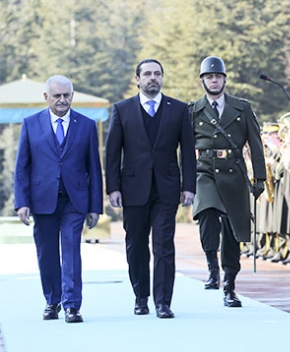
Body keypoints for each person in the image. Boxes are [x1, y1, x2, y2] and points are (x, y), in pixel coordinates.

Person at [105, 58, 196, 319]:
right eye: (147, 74)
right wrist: (113, 188)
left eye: (157, 74)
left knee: (164, 245)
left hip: (166, 189)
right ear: (138, 79)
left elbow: (188, 152)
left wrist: (188, 186)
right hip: (132, 189)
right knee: (136, 245)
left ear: (162, 77)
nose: (152, 78)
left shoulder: (178, 110)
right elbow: (112, 152)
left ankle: (163, 302)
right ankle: (141, 297)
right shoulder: (122, 110)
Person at [14, 75, 103, 323]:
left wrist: (95, 207)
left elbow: (94, 168)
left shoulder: (86, 125)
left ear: (72, 96)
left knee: (72, 250)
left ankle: (72, 305)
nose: (62, 100)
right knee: (47, 253)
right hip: (42, 200)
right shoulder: (31, 124)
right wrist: (22, 202)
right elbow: (22, 167)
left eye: (67, 95)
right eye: (57, 96)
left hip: (74, 201)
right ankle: (52, 300)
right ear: (46, 97)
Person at [189, 56, 265, 307]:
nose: (214, 80)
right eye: (209, 77)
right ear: (202, 81)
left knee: (233, 231)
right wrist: (184, 182)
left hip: (234, 171)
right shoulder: (193, 110)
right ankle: (212, 266)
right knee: (207, 212)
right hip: (205, 171)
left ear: (224, 79)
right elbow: (184, 149)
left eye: (217, 76)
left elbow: (255, 144)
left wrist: (260, 177)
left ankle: (230, 285)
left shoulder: (241, 107)